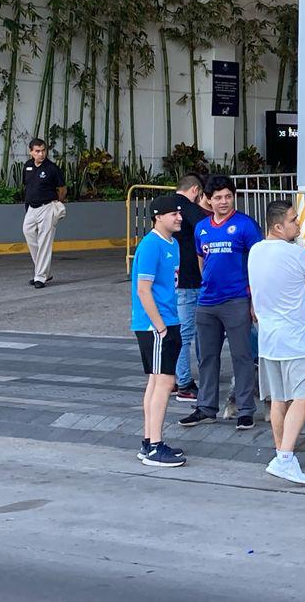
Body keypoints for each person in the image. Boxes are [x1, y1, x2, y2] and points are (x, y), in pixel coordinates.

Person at [247, 201, 305, 485]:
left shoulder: (255, 252)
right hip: (296, 340)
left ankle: (281, 453)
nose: (298, 225)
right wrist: (304, 286)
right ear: (278, 226)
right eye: (294, 220)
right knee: (303, 398)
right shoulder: (297, 254)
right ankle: (284, 458)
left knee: (278, 400)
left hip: (269, 340)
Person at [180, 175, 261, 430]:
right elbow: (202, 259)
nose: (223, 202)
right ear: (208, 199)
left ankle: (246, 410)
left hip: (237, 300)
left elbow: (258, 264)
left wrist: (253, 301)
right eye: (217, 198)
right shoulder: (201, 228)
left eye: (228, 196)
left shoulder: (246, 226)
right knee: (207, 357)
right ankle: (205, 407)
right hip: (207, 302)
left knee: (242, 356)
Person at [131, 194, 187, 467]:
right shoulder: (152, 245)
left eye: (179, 213)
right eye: (172, 214)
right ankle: (154, 446)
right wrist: (161, 327)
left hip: (167, 321)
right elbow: (143, 290)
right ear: (157, 217)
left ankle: (149, 441)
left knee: (156, 382)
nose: (178, 217)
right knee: (164, 382)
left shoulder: (172, 244)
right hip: (155, 325)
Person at [170, 174, 206, 402]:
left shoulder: (163, 207)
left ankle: (174, 378)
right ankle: (184, 383)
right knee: (186, 334)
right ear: (195, 190)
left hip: (171, 278)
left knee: (176, 331)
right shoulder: (193, 212)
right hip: (190, 279)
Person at [20, 137, 66, 288]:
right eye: (37, 151)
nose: (41, 154)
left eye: (43, 150)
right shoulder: (27, 166)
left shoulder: (52, 168)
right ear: (31, 152)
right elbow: (27, 186)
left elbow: (62, 189)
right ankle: (44, 271)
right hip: (32, 208)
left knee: (44, 242)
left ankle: (40, 276)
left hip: (47, 206)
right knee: (28, 233)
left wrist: (57, 203)